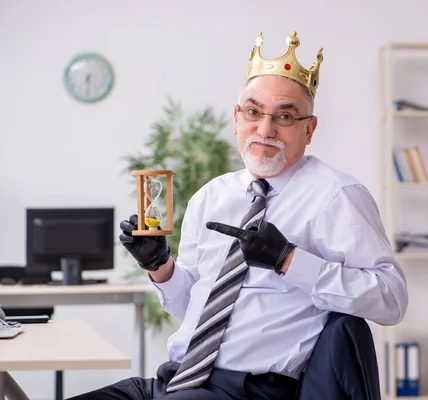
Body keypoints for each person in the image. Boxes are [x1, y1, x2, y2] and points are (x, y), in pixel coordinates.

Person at [69, 31, 408, 400]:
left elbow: (391, 299)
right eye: (253, 111)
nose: (265, 129)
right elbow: (190, 305)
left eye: (285, 116)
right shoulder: (212, 196)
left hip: (250, 390)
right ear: (236, 118)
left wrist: (288, 260)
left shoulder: (337, 197)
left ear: (309, 129)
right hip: (175, 380)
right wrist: (161, 267)